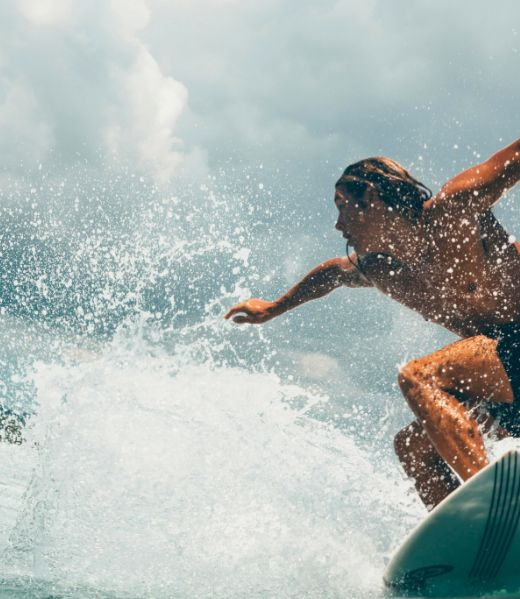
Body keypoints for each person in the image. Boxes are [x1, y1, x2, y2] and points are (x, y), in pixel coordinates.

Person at [225, 138, 520, 510]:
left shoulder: (452, 213)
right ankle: (469, 541)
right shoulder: (385, 269)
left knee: (419, 377)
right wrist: (272, 308)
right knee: (412, 448)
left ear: (371, 198)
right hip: (506, 376)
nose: (337, 224)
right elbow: (333, 275)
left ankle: (496, 507)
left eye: (342, 208)